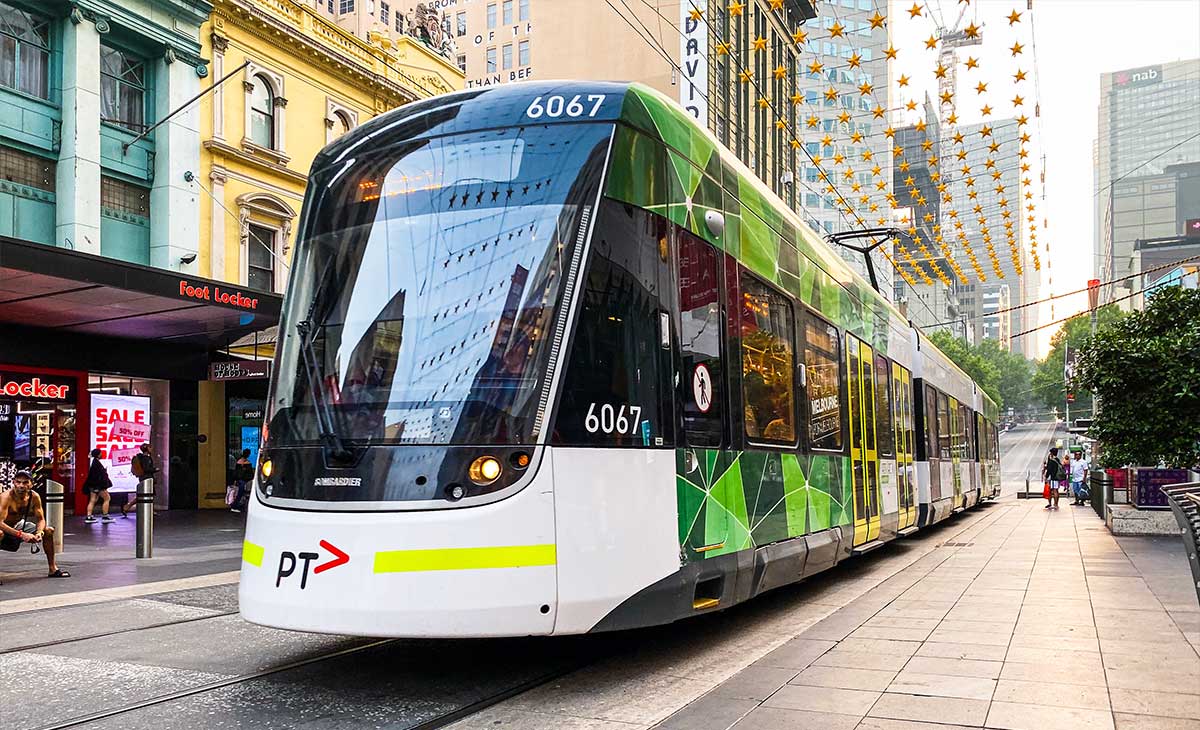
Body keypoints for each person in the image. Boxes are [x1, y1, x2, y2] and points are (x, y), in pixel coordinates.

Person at [0, 470, 69, 578]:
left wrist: (39, 533)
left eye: (25, 482)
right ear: (13, 482)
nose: (21, 486)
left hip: (17, 525)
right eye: (18, 482)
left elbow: (41, 519)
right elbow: (0, 523)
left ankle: (52, 569)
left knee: (48, 530)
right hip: (3, 526)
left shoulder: (34, 497)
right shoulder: (6, 497)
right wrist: (21, 534)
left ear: (32, 483)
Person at [124, 443, 157, 517]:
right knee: (145, 495)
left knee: (148, 494)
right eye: (150, 447)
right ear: (147, 449)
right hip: (146, 478)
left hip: (144, 477)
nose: (151, 449)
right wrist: (155, 469)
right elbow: (146, 469)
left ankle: (150, 509)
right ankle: (128, 506)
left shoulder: (143, 457)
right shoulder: (146, 458)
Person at [83, 448, 115, 524]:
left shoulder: (94, 463)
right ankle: (105, 516)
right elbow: (99, 477)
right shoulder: (97, 464)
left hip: (93, 486)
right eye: (100, 453)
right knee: (107, 498)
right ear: (98, 454)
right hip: (99, 486)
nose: (102, 454)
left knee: (92, 500)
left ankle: (89, 516)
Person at [232, 449, 254, 513]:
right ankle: (234, 506)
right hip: (244, 480)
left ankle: (237, 505)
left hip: (239, 480)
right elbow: (249, 473)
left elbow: (236, 472)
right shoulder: (247, 463)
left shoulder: (239, 461)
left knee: (239, 493)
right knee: (240, 493)